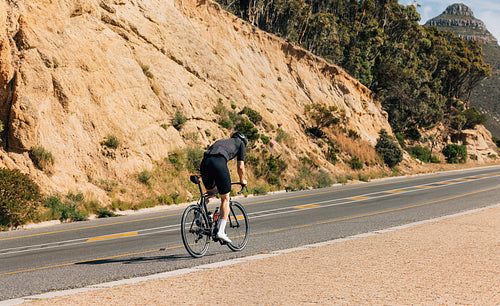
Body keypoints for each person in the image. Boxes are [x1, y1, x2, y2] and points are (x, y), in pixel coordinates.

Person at [200, 131, 248, 243]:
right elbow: (241, 167)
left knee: (212, 191)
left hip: (205, 162)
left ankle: (200, 213)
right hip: (219, 163)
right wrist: (242, 180)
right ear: (243, 140)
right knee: (225, 198)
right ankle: (221, 232)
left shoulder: (221, 141)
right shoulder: (240, 144)